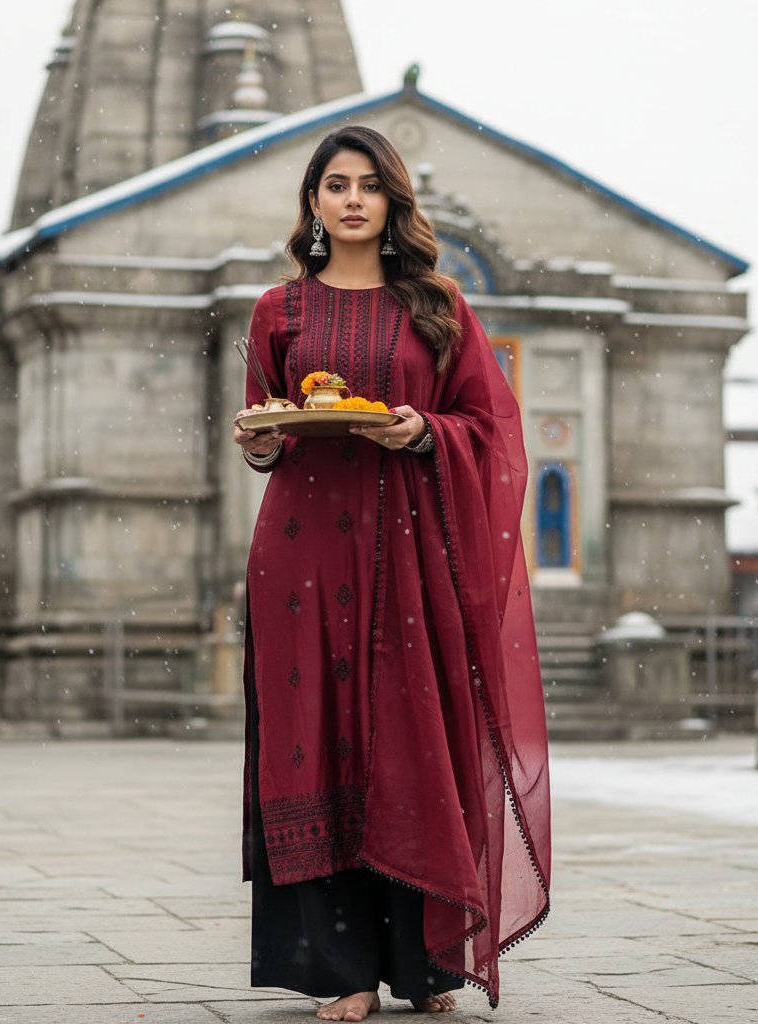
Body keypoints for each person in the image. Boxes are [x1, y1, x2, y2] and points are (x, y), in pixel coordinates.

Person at [233, 126, 550, 1021]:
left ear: (393, 201)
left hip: (409, 551)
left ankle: (424, 963)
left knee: (412, 741)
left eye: (370, 185)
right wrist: (263, 440)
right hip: (300, 552)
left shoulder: (437, 305)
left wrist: (421, 431)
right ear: (313, 202)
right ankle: (344, 968)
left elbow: (491, 426)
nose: (353, 199)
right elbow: (265, 427)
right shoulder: (279, 311)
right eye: (336, 185)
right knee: (312, 738)